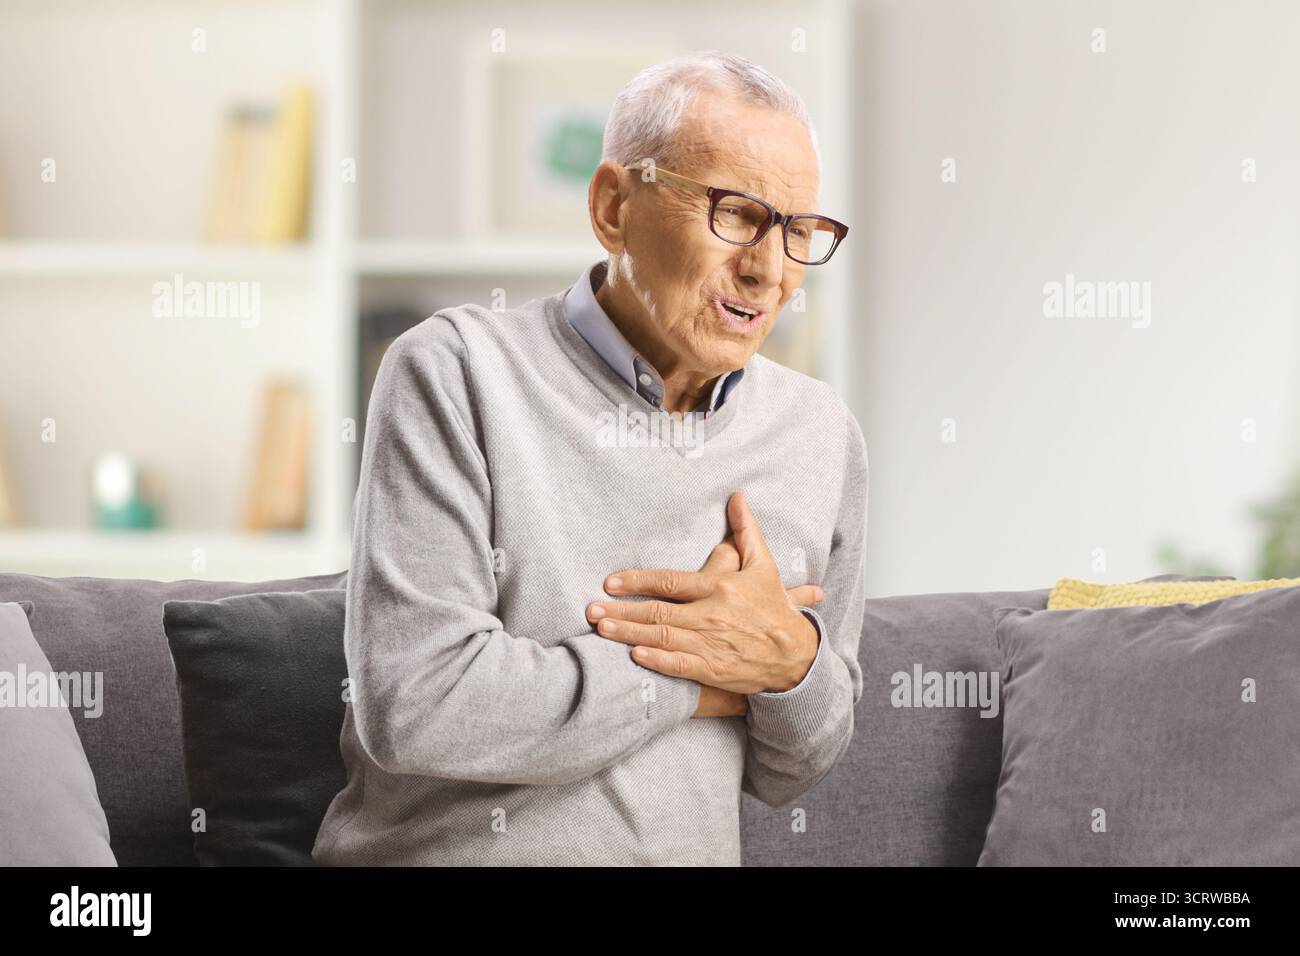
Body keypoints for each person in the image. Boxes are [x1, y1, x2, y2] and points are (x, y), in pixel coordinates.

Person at [313, 50, 867, 866]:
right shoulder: (457, 371)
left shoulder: (819, 432)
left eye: (798, 232)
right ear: (614, 207)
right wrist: (700, 668)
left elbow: (797, 765)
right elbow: (418, 704)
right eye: (739, 215)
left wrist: (790, 665)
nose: (770, 268)